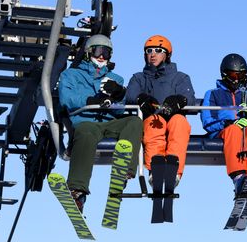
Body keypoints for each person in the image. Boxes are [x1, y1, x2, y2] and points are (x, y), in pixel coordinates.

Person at [58, 34, 142, 212]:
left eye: (107, 52)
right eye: (98, 51)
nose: (102, 56)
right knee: (86, 133)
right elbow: (67, 99)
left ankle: (123, 172)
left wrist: (119, 94)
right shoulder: (71, 75)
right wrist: (90, 99)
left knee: (134, 122)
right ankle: (77, 190)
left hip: (109, 121)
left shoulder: (115, 78)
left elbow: (119, 109)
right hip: (85, 120)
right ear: (89, 52)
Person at [126, 34, 196, 185]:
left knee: (179, 123)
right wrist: (140, 98)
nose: (152, 54)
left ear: (167, 54)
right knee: (154, 124)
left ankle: (174, 170)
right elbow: (130, 95)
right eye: (149, 51)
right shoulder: (139, 78)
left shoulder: (180, 78)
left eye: (158, 50)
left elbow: (189, 97)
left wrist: (179, 100)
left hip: (173, 117)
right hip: (152, 117)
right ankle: (155, 169)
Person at [200, 53, 247, 191]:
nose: (236, 80)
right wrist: (227, 123)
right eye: (233, 75)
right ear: (224, 75)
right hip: (222, 132)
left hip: (245, 132)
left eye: (240, 76)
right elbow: (207, 121)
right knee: (233, 130)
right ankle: (238, 176)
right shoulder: (213, 94)